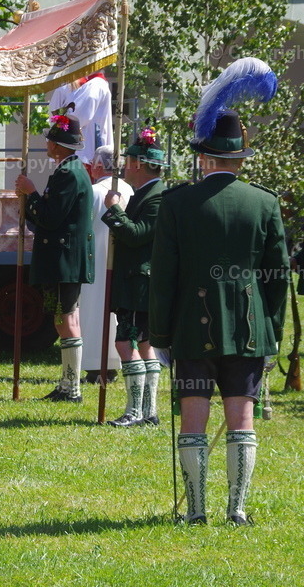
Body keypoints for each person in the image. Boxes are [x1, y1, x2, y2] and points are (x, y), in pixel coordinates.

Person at [150, 58, 287, 525]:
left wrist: (160, 336)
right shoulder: (265, 203)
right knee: (241, 422)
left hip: (191, 329)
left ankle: (196, 513)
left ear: (204, 157)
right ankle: (238, 509)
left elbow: (163, 276)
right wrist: (271, 337)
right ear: (239, 158)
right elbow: (278, 278)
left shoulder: (177, 203)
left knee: (193, 421)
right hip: (250, 332)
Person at [15, 104, 95, 403]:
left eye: (50, 139)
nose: (47, 143)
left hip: (65, 259)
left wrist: (31, 192)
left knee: (67, 319)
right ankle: (66, 384)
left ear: (59, 145)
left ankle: (72, 387)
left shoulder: (70, 174)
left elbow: (50, 217)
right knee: (61, 319)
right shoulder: (66, 171)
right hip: (59, 259)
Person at [101, 129, 167, 427]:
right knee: (143, 345)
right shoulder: (145, 194)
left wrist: (114, 208)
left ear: (139, 164)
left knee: (125, 344)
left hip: (141, 284)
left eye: (128, 160)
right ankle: (148, 411)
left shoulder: (158, 197)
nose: (124, 165)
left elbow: (137, 235)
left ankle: (135, 411)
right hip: (137, 282)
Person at [80, 145, 131, 386]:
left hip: (95, 261)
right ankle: (115, 361)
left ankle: (95, 365)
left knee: (93, 312)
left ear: (99, 166)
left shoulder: (93, 191)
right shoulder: (130, 189)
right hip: (121, 261)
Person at [49, 72, 112, 164]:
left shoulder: (96, 84)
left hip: (85, 151)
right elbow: (54, 116)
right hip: (75, 149)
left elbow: (76, 117)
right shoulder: (65, 86)